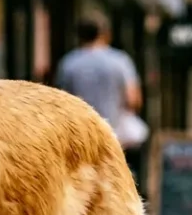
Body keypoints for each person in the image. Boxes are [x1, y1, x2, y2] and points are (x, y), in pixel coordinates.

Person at [54, 14, 146, 184]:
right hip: (116, 137)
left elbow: (60, 102)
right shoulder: (120, 61)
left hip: (82, 139)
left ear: (79, 35)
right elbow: (133, 100)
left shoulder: (68, 64)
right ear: (106, 34)